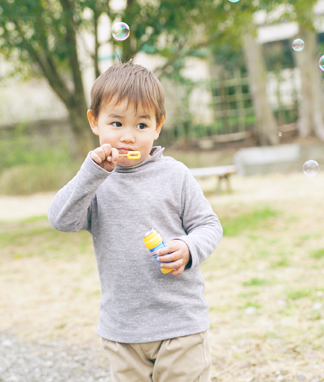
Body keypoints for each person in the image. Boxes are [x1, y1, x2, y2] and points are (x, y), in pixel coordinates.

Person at [48, 59, 223, 382]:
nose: (128, 136)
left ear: (158, 126)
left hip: (181, 323)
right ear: (94, 121)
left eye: (141, 126)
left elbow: (209, 226)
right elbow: (61, 219)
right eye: (116, 123)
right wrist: (91, 173)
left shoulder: (175, 175)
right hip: (123, 331)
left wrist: (188, 247)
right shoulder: (95, 183)